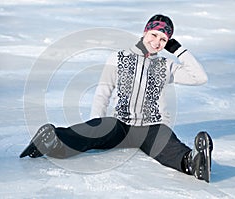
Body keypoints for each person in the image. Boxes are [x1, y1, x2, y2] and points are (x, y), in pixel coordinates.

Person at [20, 14, 213, 183]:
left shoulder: (166, 65)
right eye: (154, 35)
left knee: (167, 145)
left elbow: (200, 78)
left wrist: (178, 50)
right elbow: (104, 92)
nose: (157, 43)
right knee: (91, 132)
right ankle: (54, 142)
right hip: (120, 125)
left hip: (150, 127)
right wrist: (96, 124)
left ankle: (192, 163)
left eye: (163, 40)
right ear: (145, 31)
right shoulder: (119, 58)